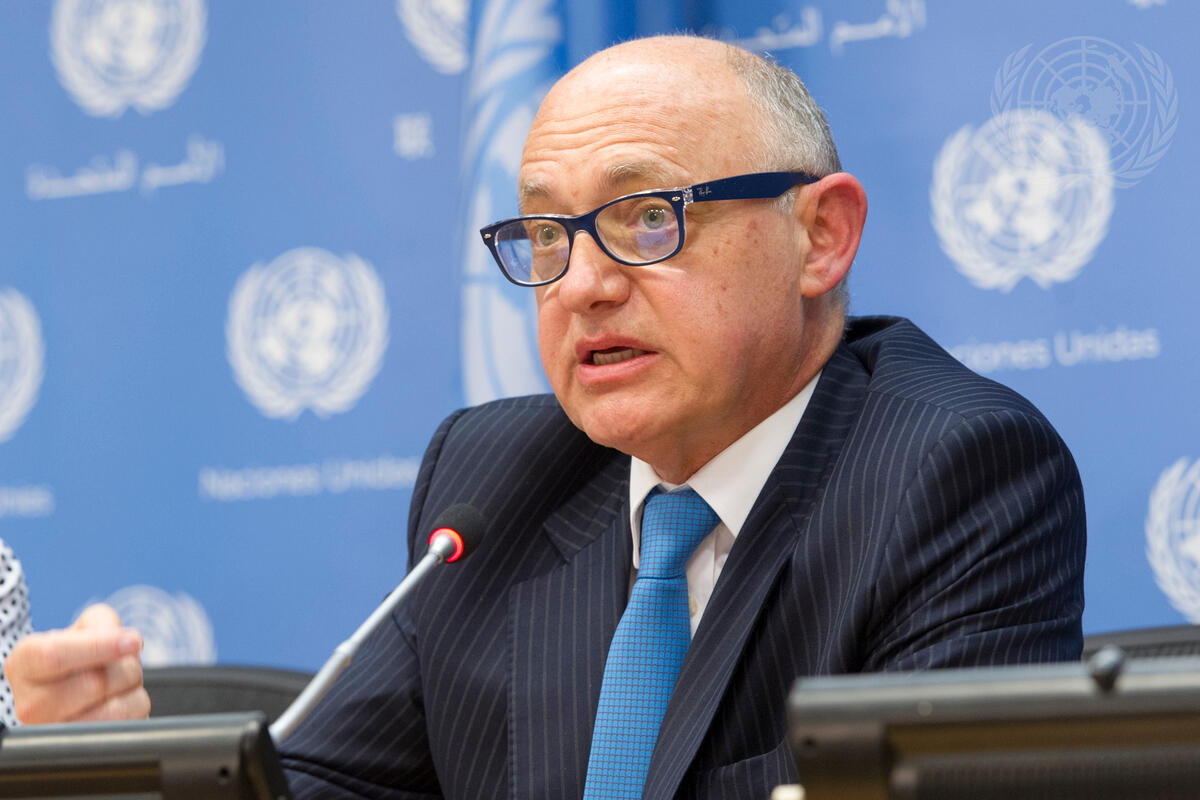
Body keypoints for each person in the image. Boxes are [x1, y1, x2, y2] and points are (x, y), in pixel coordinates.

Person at [6, 34, 1085, 798]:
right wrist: (106, 770)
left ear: (822, 236)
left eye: (646, 218)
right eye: (547, 235)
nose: (582, 285)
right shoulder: (494, 478)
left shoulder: (954, 471)